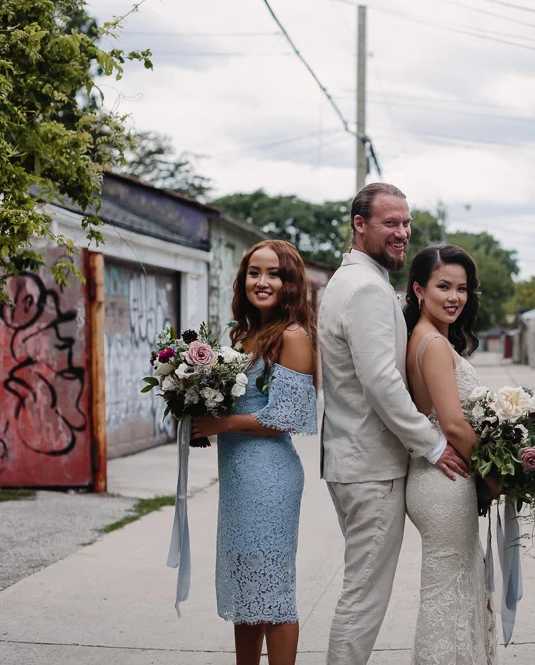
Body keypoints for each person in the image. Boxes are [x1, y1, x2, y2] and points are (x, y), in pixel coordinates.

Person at [318, 183, 469, 665]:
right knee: (364, 597)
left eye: (406, 222)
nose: (402, 232)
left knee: (363, 592)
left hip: (356, 461)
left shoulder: (354, 281)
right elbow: (381, 382)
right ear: (359, 224)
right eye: (390, 222)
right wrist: (432, 445)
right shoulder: (363, 288)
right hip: (370, 468)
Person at [189, 239, 318, 665]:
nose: (262, 282)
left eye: (274, 274)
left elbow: (286, 415)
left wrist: (220, 423)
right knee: (245, 586)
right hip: (239, 478)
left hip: (270, 478)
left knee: (273, 590)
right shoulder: (243, 335)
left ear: (291, 282)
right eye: (254, 272)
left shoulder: (292, 336)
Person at [403, 244, 497, 664]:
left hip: (437, 479)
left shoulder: (424, 337)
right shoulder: (434, 345)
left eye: (462, 288)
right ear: (419, 289)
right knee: (449, 594)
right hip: (446, 481)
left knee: (451, 590)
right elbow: (454, 424)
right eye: (444, 286)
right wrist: (499, 473)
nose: (454, 297)